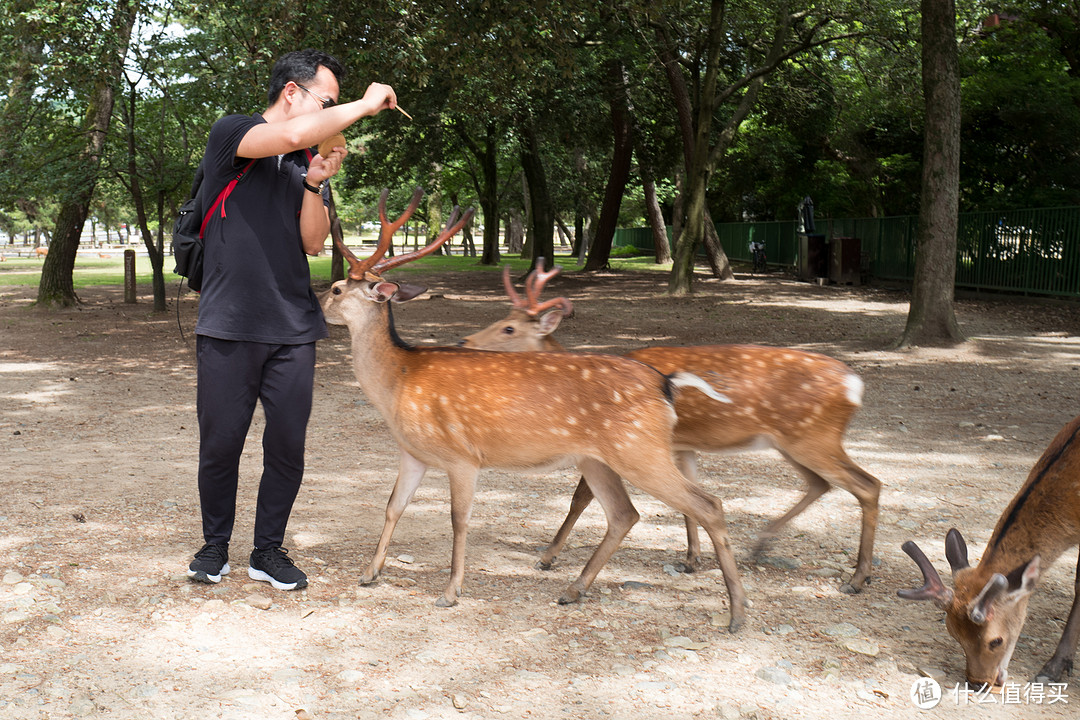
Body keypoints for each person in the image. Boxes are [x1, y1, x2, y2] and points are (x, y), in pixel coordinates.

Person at [186, 49, 397, 590]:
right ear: (291, 93)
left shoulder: (305, 161)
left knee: (286, 447)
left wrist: (315, 182)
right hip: (228, 324)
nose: (331, 110)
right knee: (221, 443)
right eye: (325, 100)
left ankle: (267, 550)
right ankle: (215, 546)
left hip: (294, 329)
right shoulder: (235, 134)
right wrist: (365, 104)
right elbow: (280, 138)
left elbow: (311, 241)